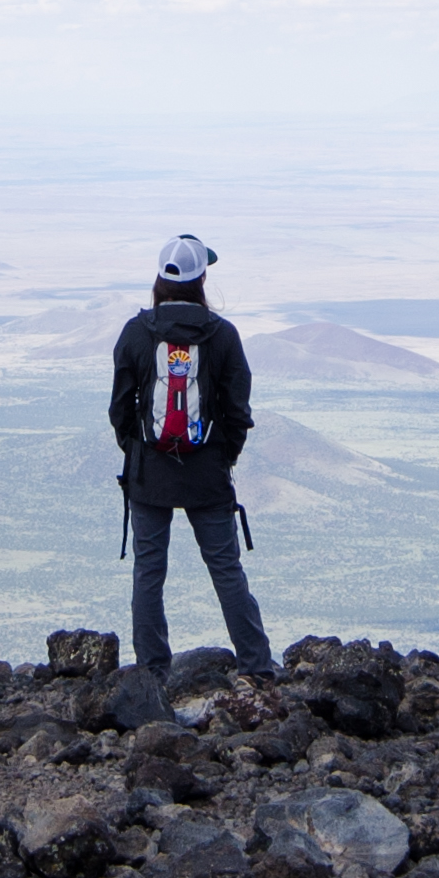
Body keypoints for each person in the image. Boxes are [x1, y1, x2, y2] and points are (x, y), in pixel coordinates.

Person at [109, 231, 277, 677]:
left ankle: (151, 675)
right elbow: (238, 413)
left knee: (149, 574)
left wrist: (139, 453)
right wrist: (223, 458)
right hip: (208, 475)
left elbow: (120, 410)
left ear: (160, 281)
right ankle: (258, 669)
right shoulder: (222, 336)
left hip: (149, 475)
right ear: (201, 279)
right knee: (226, 571)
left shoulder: (136, 333)